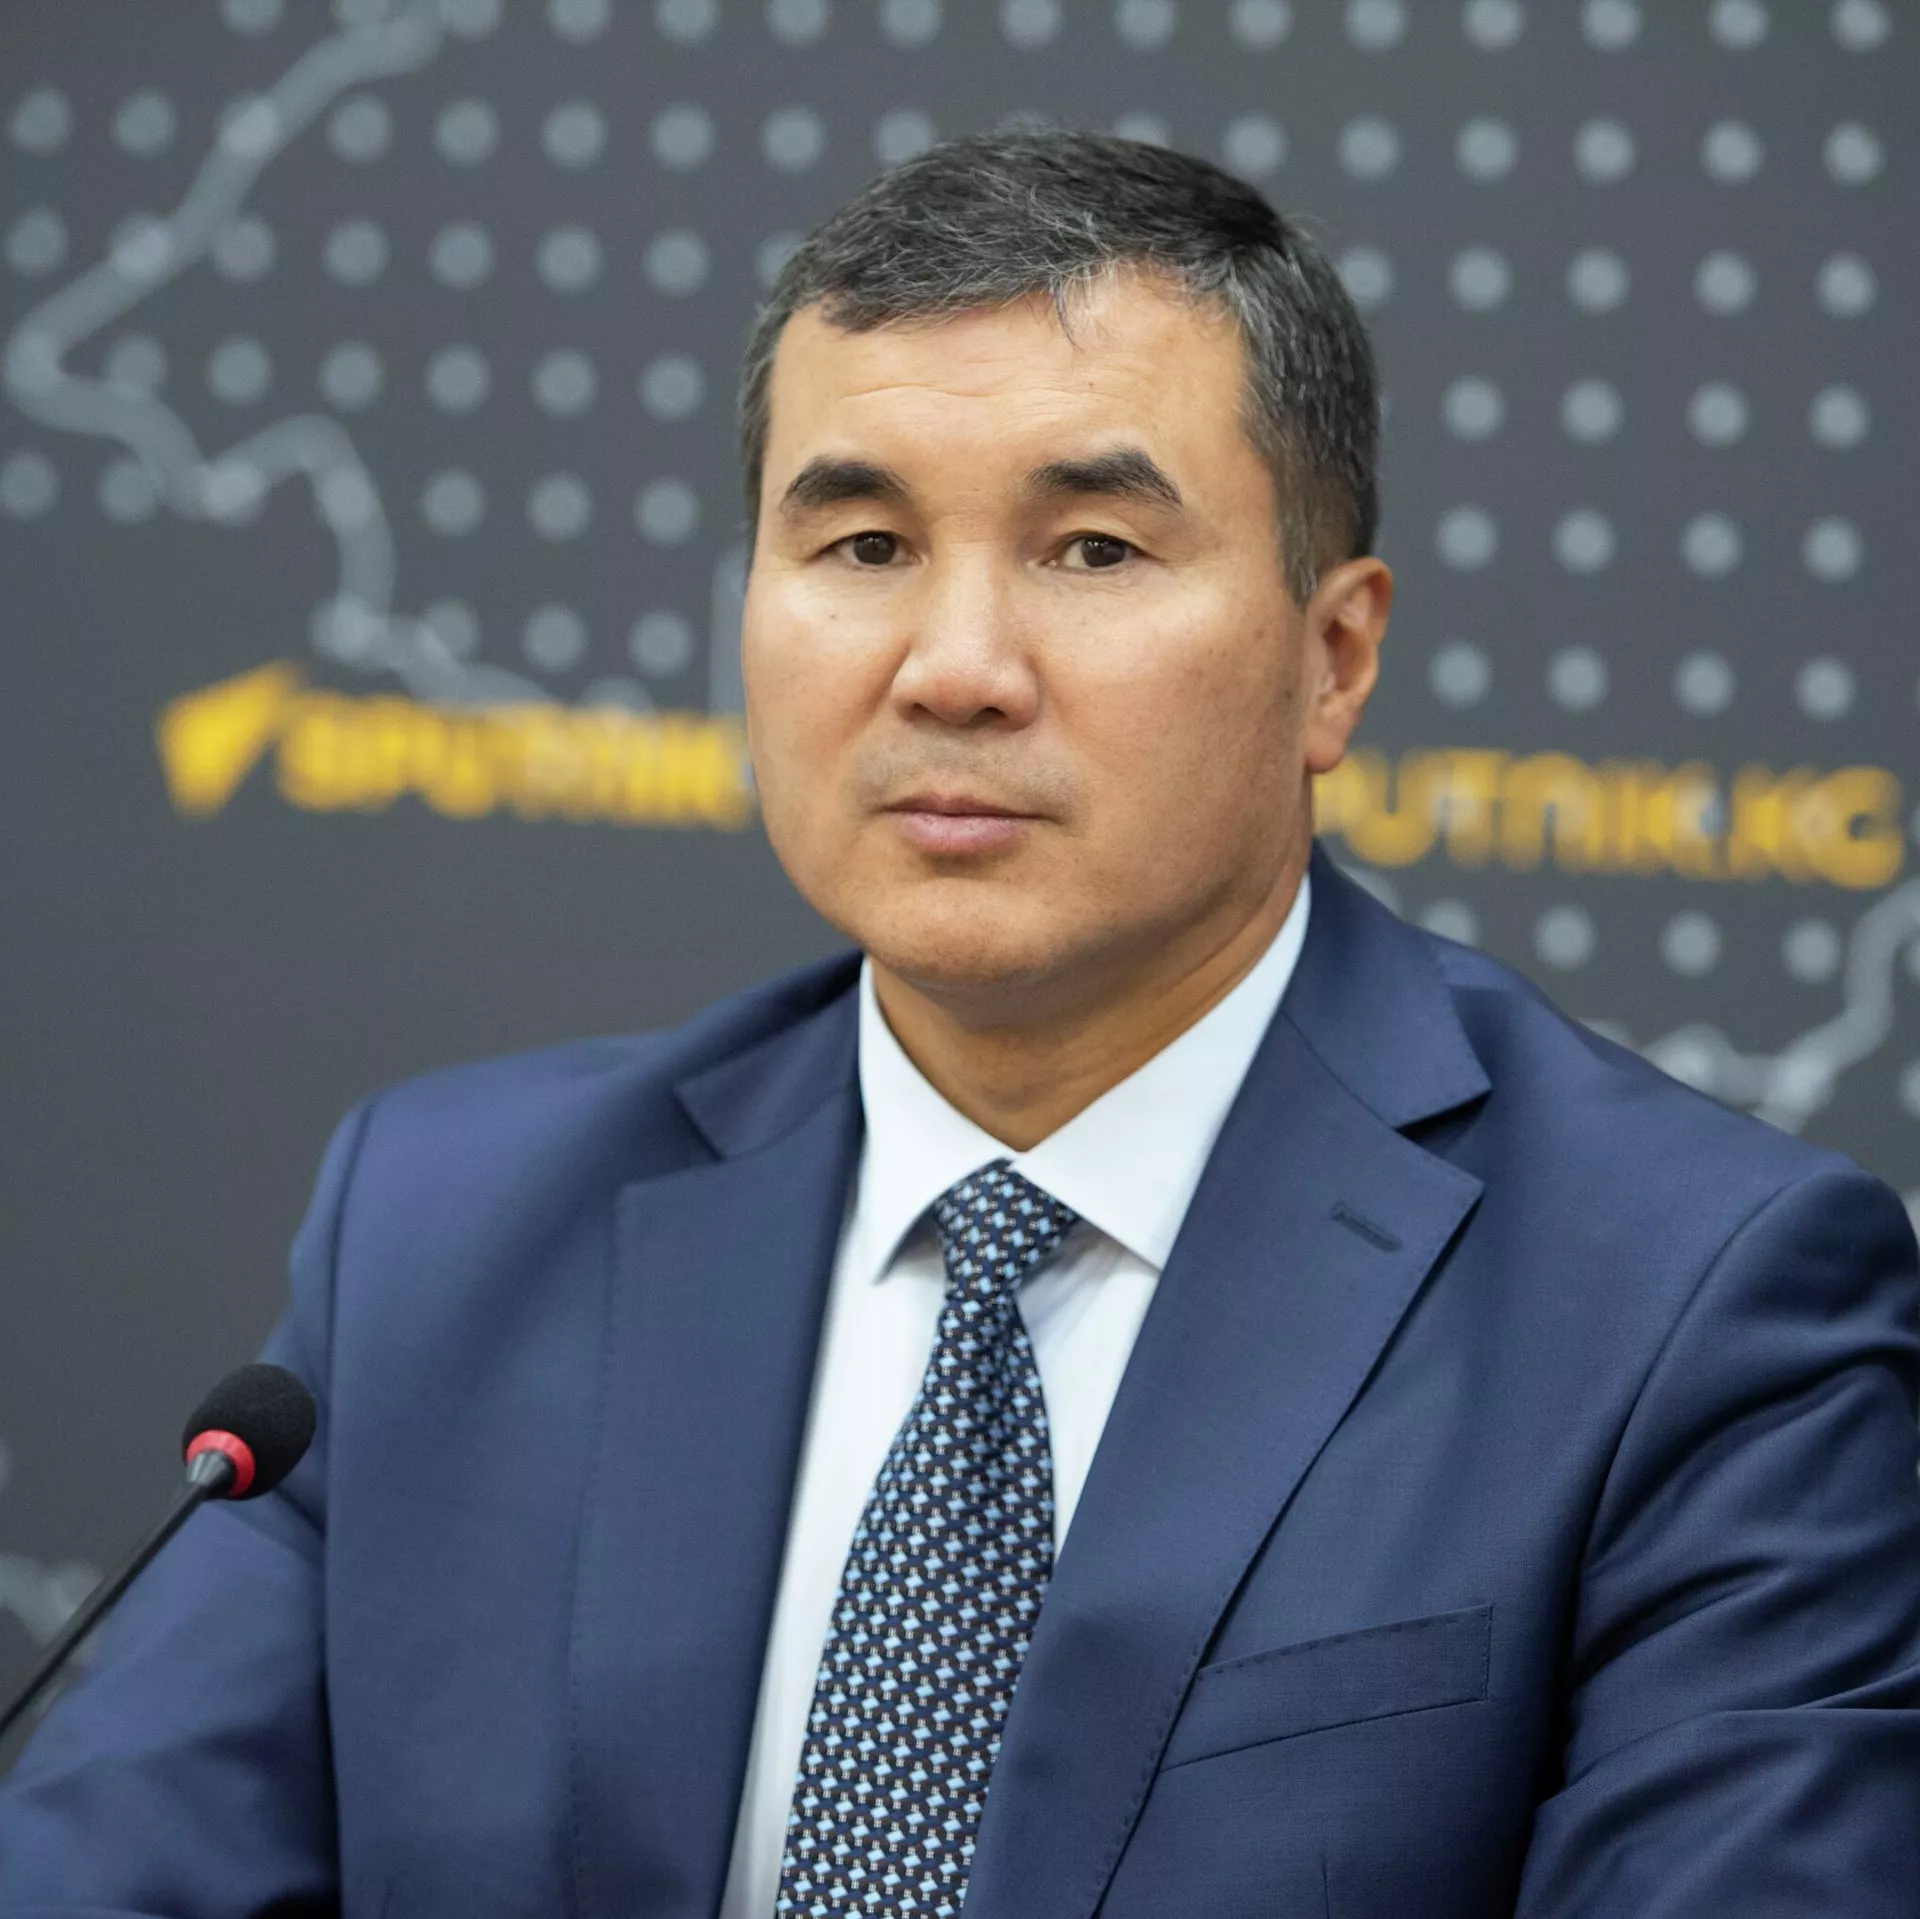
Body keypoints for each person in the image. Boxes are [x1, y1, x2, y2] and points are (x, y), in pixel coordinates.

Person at [3, 130, 1917, 1919]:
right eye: (863, 547)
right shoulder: (444, 1234)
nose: (956, 669)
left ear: (1333, 659)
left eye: (1093, 549)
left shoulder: (1693, 1311)